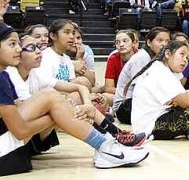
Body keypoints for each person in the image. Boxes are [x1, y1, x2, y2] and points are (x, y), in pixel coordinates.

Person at [0, 23, 149, 175]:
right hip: (5, 150)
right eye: (13, 44)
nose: (18, 49)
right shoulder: (7, 75)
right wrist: (56, 115)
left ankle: (108, 143)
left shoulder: (5, 75)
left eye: (18, 44)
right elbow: (20, 130)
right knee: (51, 96)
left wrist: (66, 108)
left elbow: (19, 110)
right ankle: (107, 146)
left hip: (13, 139)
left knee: (57, 95)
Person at [113, 27, 170, 124]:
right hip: (125, 107)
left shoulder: (158, 59)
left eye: (167, 41)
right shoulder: (142, 58)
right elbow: (139, 90)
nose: (164, 44)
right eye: (159, 40)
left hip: (138, 103)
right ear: (148, 42)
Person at [38, 19, 90, 88]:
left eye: (73, 33)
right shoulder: (44, 56)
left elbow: (73, 82)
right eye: (67, 33)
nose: (72, 37)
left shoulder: (67, 59)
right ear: (53, 36)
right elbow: (46, 86)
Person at [103, 31, 136, 103]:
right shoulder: (113, 58)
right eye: (117, 42)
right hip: (121, 93)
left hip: (139, 94)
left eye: (125, 41)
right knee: (105, 96)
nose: (121, 44)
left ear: (133, 43)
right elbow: (108, 88)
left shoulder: (141, 57)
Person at [66, 24, 96, 88]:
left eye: (78, 38)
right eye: (72, 39)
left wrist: (80, 59)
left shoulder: (86, 52)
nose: (76, 42)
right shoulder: (59, 53)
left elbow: (92, 82)